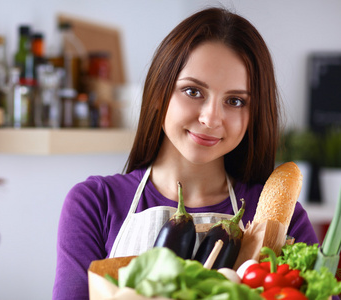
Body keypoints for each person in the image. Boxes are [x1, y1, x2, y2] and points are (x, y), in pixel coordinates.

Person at [53, 7, 319, 299]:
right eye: (193, 91)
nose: (211, 118)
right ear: (158, 93)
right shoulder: (95, 203)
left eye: (234, 100)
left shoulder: (281, 221)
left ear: (254, 114)